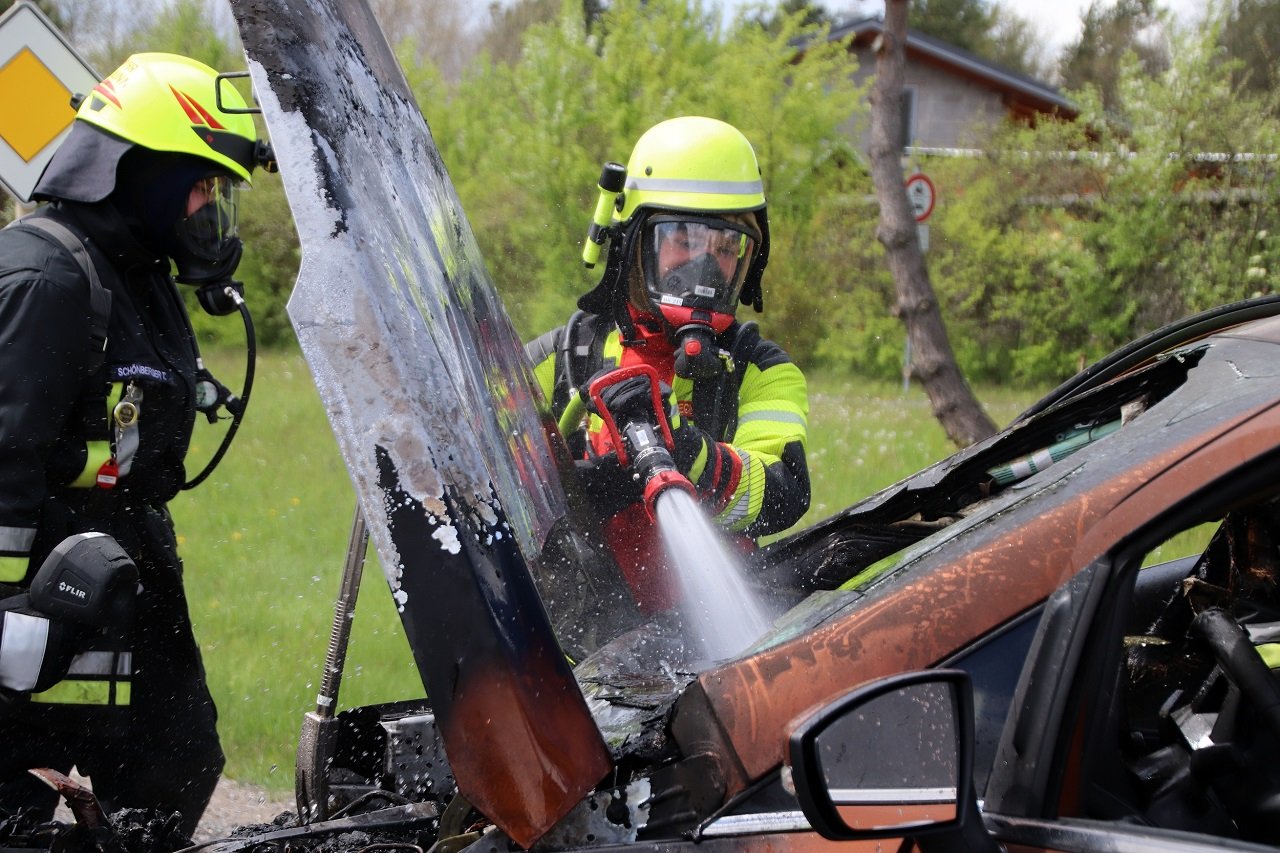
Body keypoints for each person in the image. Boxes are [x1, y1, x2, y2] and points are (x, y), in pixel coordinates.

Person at [0, 53, 272, 834]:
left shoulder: (135, 272)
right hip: (36, 633)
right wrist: (12, 631)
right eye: (198, 185)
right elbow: (4, 467)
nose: (207, 209)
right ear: (136, 171)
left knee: (174, 775)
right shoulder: (45, 280)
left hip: (128, 602)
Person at [526, 116, 809, 614]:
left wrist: (688, 453)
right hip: (584, 652)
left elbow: (781, 496)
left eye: (725, 248)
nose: (705, 266)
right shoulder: (565, 358)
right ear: (635, 242)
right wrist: (577, 489)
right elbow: (481, 474)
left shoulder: (761, 371)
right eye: (682, 240)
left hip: (717, 640)